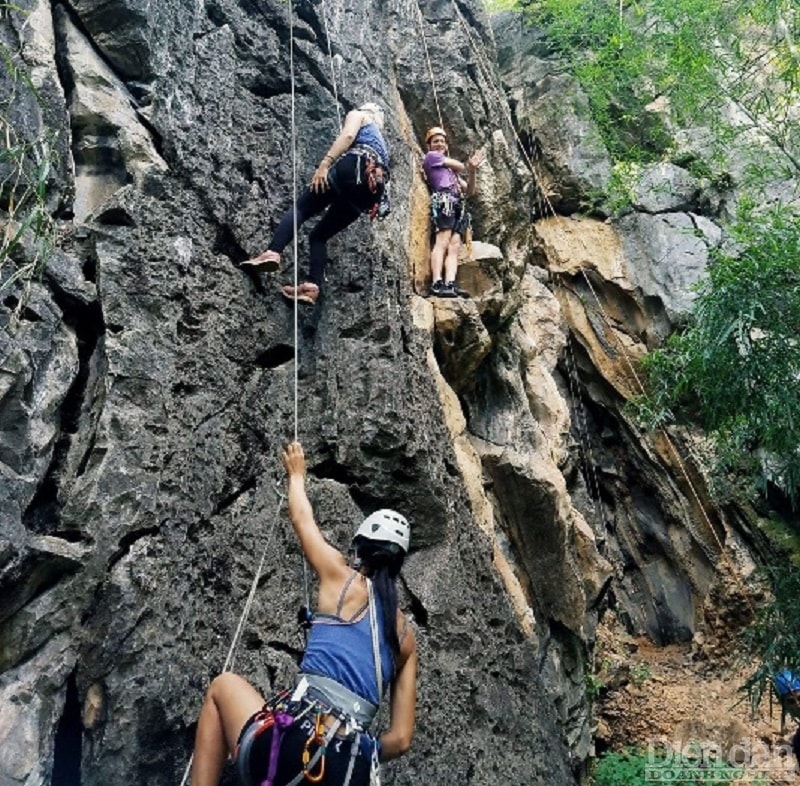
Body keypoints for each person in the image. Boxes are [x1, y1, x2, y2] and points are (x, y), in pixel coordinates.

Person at [189, 441, 417, 786]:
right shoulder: (405, 638)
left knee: (222, 688)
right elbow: (401, 739)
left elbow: (301, 519)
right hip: (346, 773)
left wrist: (296, 474)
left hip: (297, 743)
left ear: (358, 551)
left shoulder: (343, 578)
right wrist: (351, 749)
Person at [242, 104, 391, 306]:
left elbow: (348, 136)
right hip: (367, 194)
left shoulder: (359, 115)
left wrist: (325, 165)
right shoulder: (382, 146)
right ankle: (312, 287)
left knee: (301, 208)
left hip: (353, 167)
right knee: (319, 236)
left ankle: (273, 252)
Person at [422, 126, 486, 299]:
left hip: (457, 205)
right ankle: (436, 282)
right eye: (436, 141)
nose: (439, 144)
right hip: (445, 200)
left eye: (442, 141)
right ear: (429, 145)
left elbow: (470, 191)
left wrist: (472, 171)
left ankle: (449, 283)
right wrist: (466, 166)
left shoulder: (450, 171)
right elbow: (459, 165)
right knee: (442, 240)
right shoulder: (432, 157)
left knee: (454, 246)